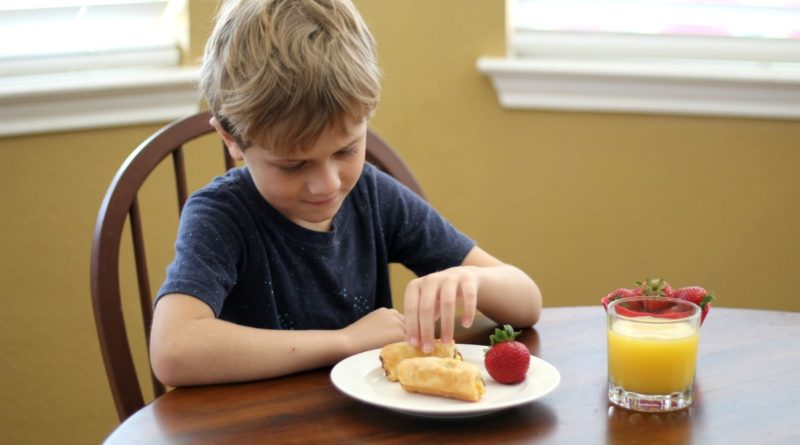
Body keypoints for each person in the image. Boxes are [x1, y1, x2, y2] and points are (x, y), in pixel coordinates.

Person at [149, 0, 542, 387]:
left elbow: (527, 302)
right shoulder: (221, 217)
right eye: (293, 164)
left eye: (346, 150)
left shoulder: (373, 196)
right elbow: (173, 351)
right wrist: (345, 342)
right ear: (231, 140)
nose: (329, 184)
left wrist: (470, 278)